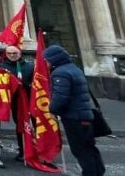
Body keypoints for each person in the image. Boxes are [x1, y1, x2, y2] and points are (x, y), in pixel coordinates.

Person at [44, 44, 105, 176]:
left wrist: (52, 109)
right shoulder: (74, 69)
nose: (46, 63)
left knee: (80, 149)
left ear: (55, 59)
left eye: (47, 60)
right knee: (89, 147)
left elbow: (60, 97)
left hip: (74, 117)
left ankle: (90, 173)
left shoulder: (60, 73)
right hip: (84, 114)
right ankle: (98, 172)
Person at [0, 45, 34, 161]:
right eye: (10, 53)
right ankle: (22, 150)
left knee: (35, 125)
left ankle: (37, 149)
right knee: (20, 125)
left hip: (30, 100)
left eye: (15, 53)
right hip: (15, 102)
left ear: (20, 54)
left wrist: (25, 85)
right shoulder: (2, 67)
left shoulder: (30, 67)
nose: (12, 56)